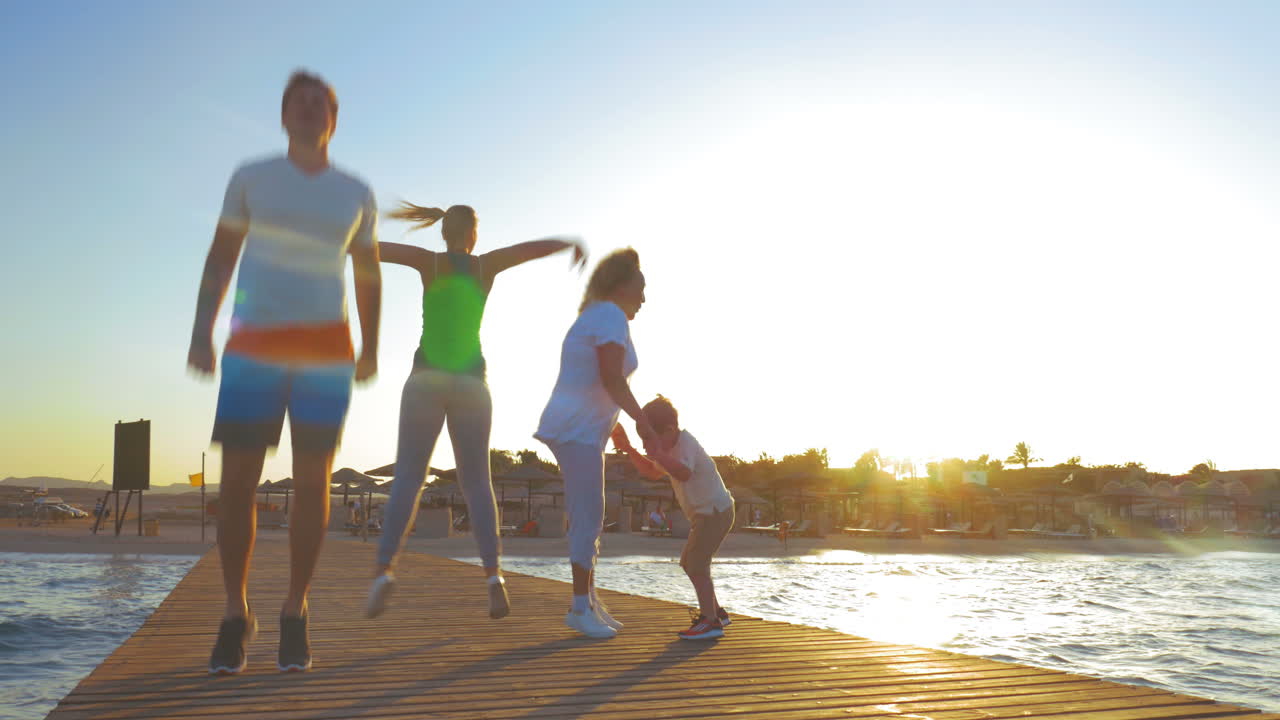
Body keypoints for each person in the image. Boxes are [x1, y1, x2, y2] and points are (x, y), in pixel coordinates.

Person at [187, 70, 381, 675]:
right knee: (238, 482)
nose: (307, 108)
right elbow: (221, 257)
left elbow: (368, 272)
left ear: (333, 119)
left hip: (327, 350)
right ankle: (233, 611)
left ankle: (295, 610)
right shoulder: (251, 177)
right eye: (297, 101)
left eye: (318, 102)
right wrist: (201, 330)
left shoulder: (356, 191)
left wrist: (371, 344)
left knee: (313, 481)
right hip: (254, 347)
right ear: (282, 115)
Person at [365, 202, 585, 621]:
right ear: (474, 235)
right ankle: (492, 577)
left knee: (408, 480)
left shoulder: (427, 262)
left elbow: (372, 249)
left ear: (444, 232)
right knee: (478, 484)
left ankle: (383, 571)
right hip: (471, 384)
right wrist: (566, 243)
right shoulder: (485, 268)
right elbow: (528, 250)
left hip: (425, 381)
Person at [535, 249, 654, 639]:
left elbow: (597, 381)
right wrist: (644, 423)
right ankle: (579, 608)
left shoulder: (603, 315)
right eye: (641, 288)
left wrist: (616, 429)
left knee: (592, 515)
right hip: (575, 429)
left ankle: (589, 600)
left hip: (584, 429)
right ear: (622, 285)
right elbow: (611, 380)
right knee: (588, 516)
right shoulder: (609, 315)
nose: (644, 298)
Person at [613, 396, 734, 640]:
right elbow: (650, 471)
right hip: (706, 515)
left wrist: (658, 454)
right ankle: (717, 612)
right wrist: (629, 449)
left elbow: (684, 473)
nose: (647, 446)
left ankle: (710, 622)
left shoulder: (686, 443)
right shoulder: (668, 449)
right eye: (643, 440)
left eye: (648, 438)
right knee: (689, 563)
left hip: (715, 512)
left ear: (669, 430)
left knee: (697, 564)